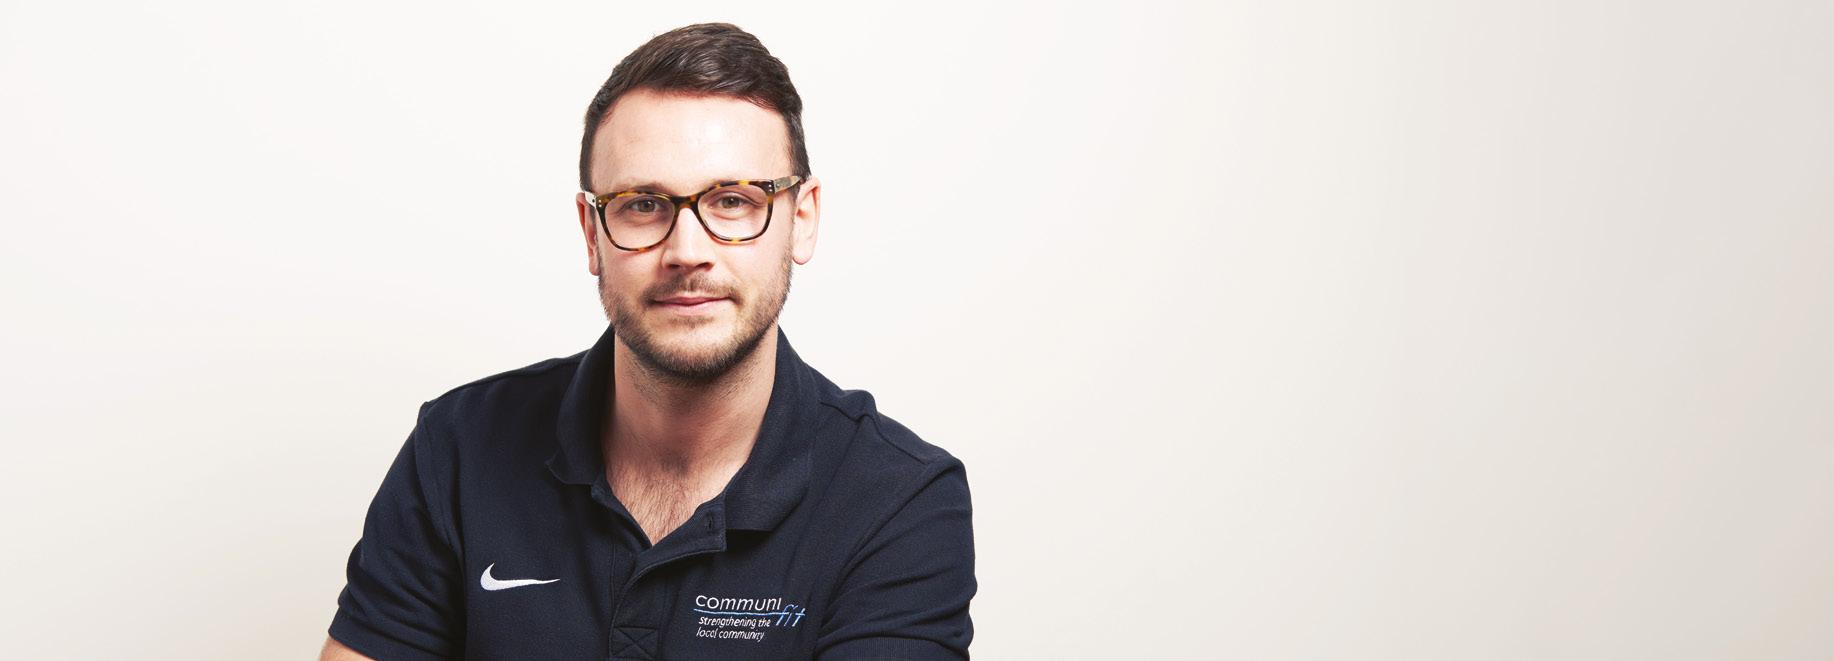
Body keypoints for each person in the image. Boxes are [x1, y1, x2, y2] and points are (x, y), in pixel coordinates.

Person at [319, 22, 976, 661]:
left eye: (733, 201)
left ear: (801, 219)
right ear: (591, 232)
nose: (687, 251)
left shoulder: (899, 499)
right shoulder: (458, 446)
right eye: (642, 204)